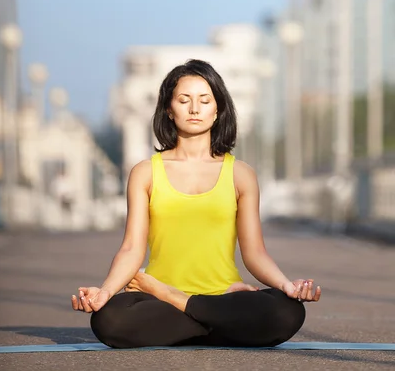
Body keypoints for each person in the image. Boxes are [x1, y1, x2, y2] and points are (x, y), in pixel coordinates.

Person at [72, 59, 321, 348]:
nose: (194, 109)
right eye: (184, 100)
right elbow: (131, 248)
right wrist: (105, 292)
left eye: (204, 100)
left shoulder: (241, 175)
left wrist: (286, 285)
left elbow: (254, 253)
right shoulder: (145, 172)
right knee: (108, 319)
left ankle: (180, 304)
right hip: (158, 301)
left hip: (222, 294)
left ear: (217, 110)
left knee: (287, 310)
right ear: (169, 108)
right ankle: (218, 325)